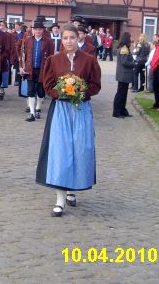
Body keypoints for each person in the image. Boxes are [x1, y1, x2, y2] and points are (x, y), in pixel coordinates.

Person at [36, 24, 102, 216]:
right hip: (61, 111)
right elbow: (48, 85)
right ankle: (60, 199)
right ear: (61, 40)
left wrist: (81, 92)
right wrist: (63, 92)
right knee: (61, 151)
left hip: (81, 110)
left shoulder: (89, 60)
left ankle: (74, 187)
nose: (68, 41)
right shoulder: (53, 60)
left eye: (72, 38)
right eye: (65, 38)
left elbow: (95, 85)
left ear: (78, 39)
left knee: (80, 149)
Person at [20, 20, 54, 121]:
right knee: (30, 91)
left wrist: (50, 70)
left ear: (43, 30)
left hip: (42, 70)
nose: (38, 31)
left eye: (39, 29)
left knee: (40, 91)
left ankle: (38, 108)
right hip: (30, 69)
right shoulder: (27, 40)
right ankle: (32, 113)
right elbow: (22, 54)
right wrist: (21, 66)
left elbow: (51, 57)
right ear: (32, 30)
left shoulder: (48, 42)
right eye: (35, 29)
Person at [113, 32, 137, 118]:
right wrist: (134, 64)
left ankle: (122, 110)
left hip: (124, 75)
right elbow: (124, 62)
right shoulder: (124, 49)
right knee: (120, 94)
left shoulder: (124, 48)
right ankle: (117, 112)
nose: (130, 40)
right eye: (129, 38)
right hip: (123, 75)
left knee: (123, 94)